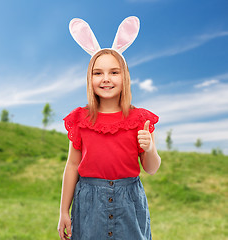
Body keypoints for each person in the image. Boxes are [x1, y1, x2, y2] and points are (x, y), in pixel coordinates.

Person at [58, 17, 161, 240]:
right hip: (89, 204)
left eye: (114, 72)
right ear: (90, 78)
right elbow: (73, 164)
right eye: (98, 73)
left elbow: (151, 168)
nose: (106, 79)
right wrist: (63, 211)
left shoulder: (140, 119)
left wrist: (150, 148)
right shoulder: (80, 119)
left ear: (125, 77)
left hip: (129, 204)